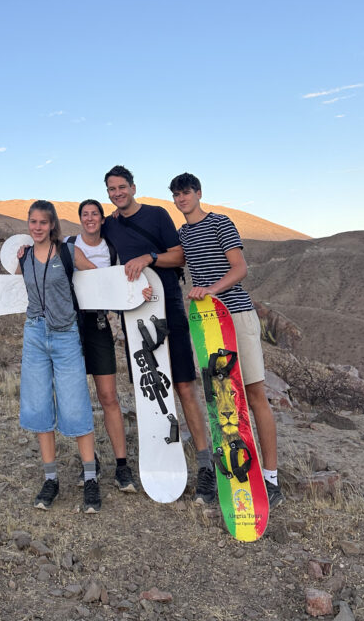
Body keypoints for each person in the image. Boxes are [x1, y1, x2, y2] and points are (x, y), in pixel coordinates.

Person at [0, 200, 102, 513]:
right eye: (33, 222)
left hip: (66, 336)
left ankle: (91, 479)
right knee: (39, 404)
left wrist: (136, 290)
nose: (38, 227)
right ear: (28, 225)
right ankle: (51, 479)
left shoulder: (70, 253)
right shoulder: (25, 257)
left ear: (53, 225)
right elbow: (11, 292)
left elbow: (101, 282)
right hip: (34, 336)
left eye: (43, 222)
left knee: (75, 403)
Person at [100, 165, 216, 503]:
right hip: (136, 316)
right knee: (151, 388)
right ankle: (163, 461)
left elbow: (180, 254)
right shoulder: (109, 225)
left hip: (170, 309)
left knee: (183, 386)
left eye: (122, 187)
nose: (117, 193)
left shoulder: (157, 215)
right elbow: (88, 248)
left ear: (133, 187)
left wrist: (149, 258)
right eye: (112, 189)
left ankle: (206, 466)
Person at [169, 172, 284, 509]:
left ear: (198, 193)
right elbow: (172, 260)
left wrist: (211, 291)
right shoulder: (183, 234)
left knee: (254, 393)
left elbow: (240, 268)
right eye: (176, 195)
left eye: (186, 192)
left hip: (236, 315)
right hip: (207, 325)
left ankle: (272, 479)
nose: (181, 199)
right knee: (224, 401)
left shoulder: (221, 223)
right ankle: (236, 474)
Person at [66, 198, 148, 493]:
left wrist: (143, 291)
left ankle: (122, 466)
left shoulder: (111, 249)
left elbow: (122, 283)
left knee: (108, 396)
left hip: (99, 325)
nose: (90, 218)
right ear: (80, 219)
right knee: (78, 398)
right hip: (71, 325)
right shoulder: (67, 243)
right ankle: (91, 462)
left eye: (94, 214)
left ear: (102, 219)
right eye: (85, 214)